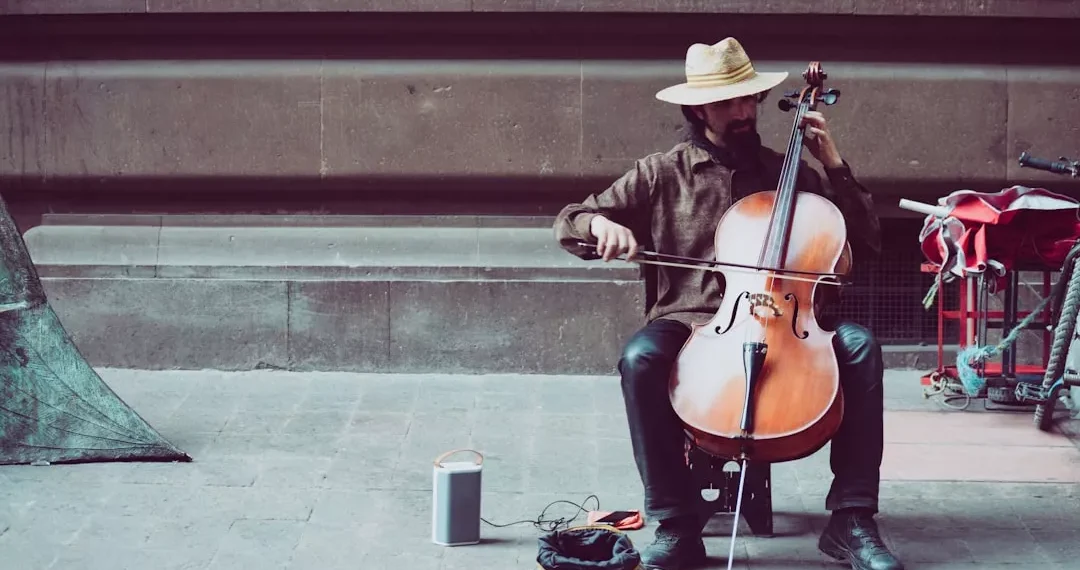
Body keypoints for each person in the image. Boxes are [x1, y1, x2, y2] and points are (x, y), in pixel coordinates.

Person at [553, 38, 905, 570]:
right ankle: (676, 524)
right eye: (726, 103)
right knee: (640, 359)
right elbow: (571, 220)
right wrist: (600, 225)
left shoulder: (788, 173)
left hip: (791, 319)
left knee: (860, 348)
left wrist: (832, 162)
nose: (742, 112)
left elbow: (866, 240)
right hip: (690, 319)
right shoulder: (662, 172)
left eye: (748, 99)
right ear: (698, 110)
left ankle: (851, 520)